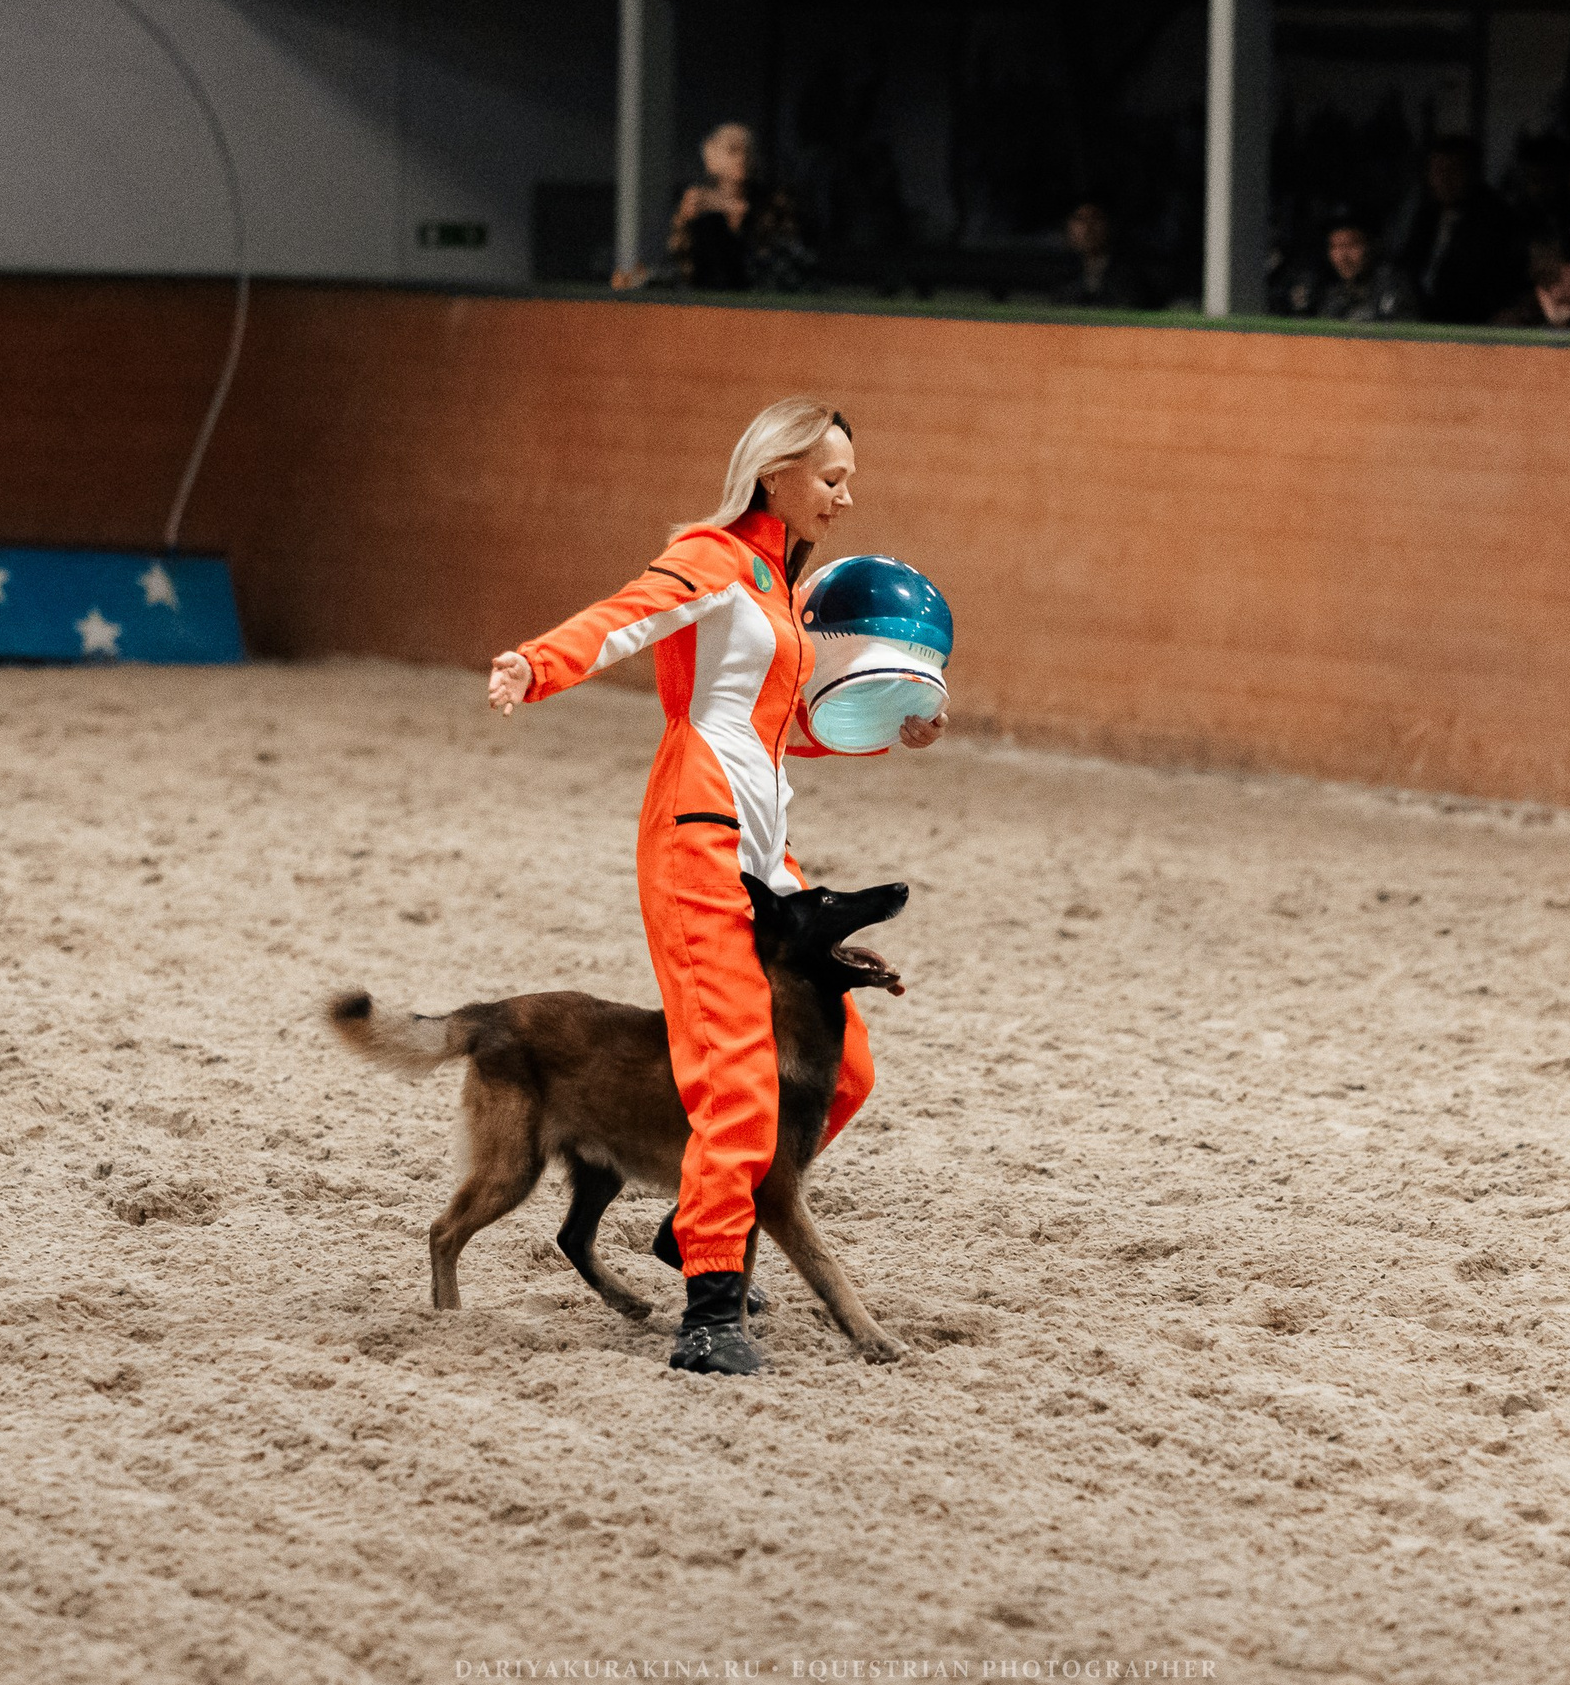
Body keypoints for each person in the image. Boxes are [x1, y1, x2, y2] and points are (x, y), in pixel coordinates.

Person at [483, 399, 944, 1376]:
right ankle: (708, 1311)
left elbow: (772, 728)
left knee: (842, 1069)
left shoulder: (777, 582)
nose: (847, 496)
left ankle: (706, 1215)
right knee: (737, 1072)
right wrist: (537, 663)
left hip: (767, 848)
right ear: (773, 471)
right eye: (831, 477)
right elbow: (625, 618)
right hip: (699, 841)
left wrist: (880, 728)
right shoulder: (713, 555)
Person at [651, 121, 812, 293]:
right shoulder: (699, 202)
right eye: (732, 150)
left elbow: (790, 266)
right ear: (710, 155)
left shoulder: (774, 202)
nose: (742, 158)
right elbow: (678, 264)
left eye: (748, 151)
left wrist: (739, 216)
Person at [1394, 135, 1521, 325]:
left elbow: (1487, 282)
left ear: (1472, 174)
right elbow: (1407, 265)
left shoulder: (1493, 217)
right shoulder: (1424, 213)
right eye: (1437, 171)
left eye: (1453, 170)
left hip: (1469, 325)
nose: (1444, 179)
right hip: (1420, 320)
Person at [1308, 216, 1420, 323]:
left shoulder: (1393, 286)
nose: (1343, 257)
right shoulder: (1330, 291)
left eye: (1351, 245)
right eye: (1335, 247)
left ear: (1371, 246)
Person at [1055, 201, 1155, 309]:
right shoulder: (1059, 271)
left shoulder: (1130, 273)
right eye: (1080, 219)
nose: (1088, 228)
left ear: (1110, 225)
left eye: (1096, 218)